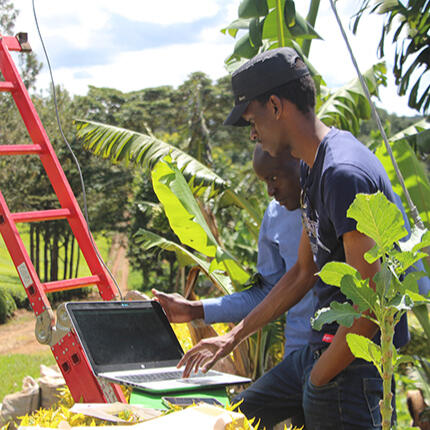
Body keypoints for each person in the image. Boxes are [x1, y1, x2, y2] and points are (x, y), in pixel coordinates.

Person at [173, 48, 411, 429]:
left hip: (349, 369)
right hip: (320, 353)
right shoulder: (314, 169)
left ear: (275, 106)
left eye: (253, 120)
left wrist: (318, 380)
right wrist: (231, 338)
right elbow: (302, 271)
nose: (253, 133)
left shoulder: (342, 174)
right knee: (233, 418)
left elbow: (370, 307)